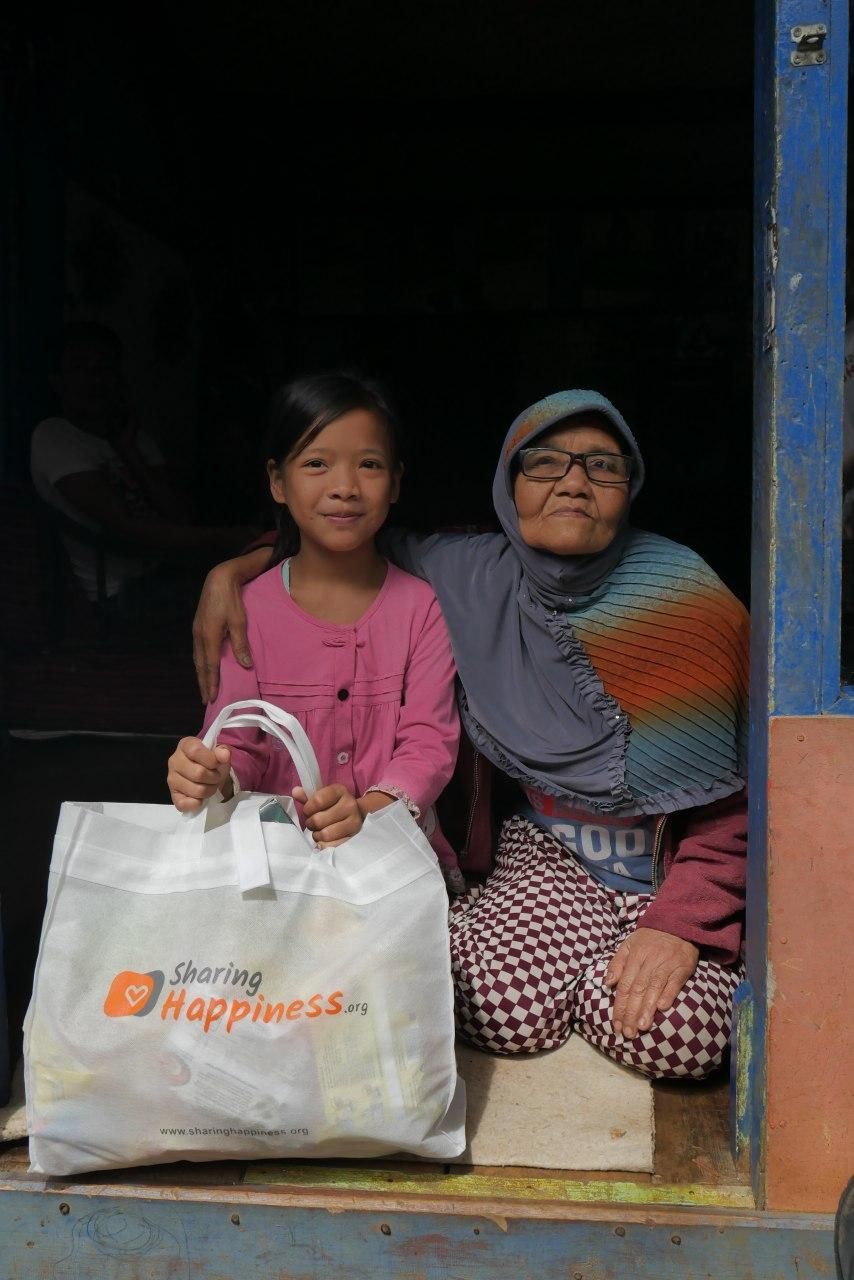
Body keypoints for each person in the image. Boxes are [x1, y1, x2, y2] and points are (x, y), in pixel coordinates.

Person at [191, 389, 749, 1080]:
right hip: (549, 858)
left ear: (631, 487)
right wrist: (232, 569)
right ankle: (564, 968)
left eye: (603, 466)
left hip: (668, 872)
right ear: (509, 487)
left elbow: (737, 805)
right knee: (489, 1008)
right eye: (544, 462)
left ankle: (584, 973)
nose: (573, 482)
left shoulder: (689, 601)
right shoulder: (468, 575)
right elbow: (344, 536)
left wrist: (678, 926)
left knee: (681, 1037)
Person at [168, 371, 461, 871]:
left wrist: (368, 812)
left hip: (390, 865)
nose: (344, 487)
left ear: (395, 482)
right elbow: (239, 744)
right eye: (316, 464)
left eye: (369, 464)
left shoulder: (422, 608)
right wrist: (212, 775)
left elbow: (427, 744)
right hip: (272, 868)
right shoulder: (246, 611)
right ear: (278, 482)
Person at [30, 322, 253, 615]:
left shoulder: (132, 437)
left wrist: (129, 453)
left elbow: (178, 513)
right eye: (80, 368)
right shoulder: (55, 437)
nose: (95, 380)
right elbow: (128, 529)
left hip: (166, 570)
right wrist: (228, 538)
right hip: (119, 591)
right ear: (58, 381)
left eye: (104, 368)